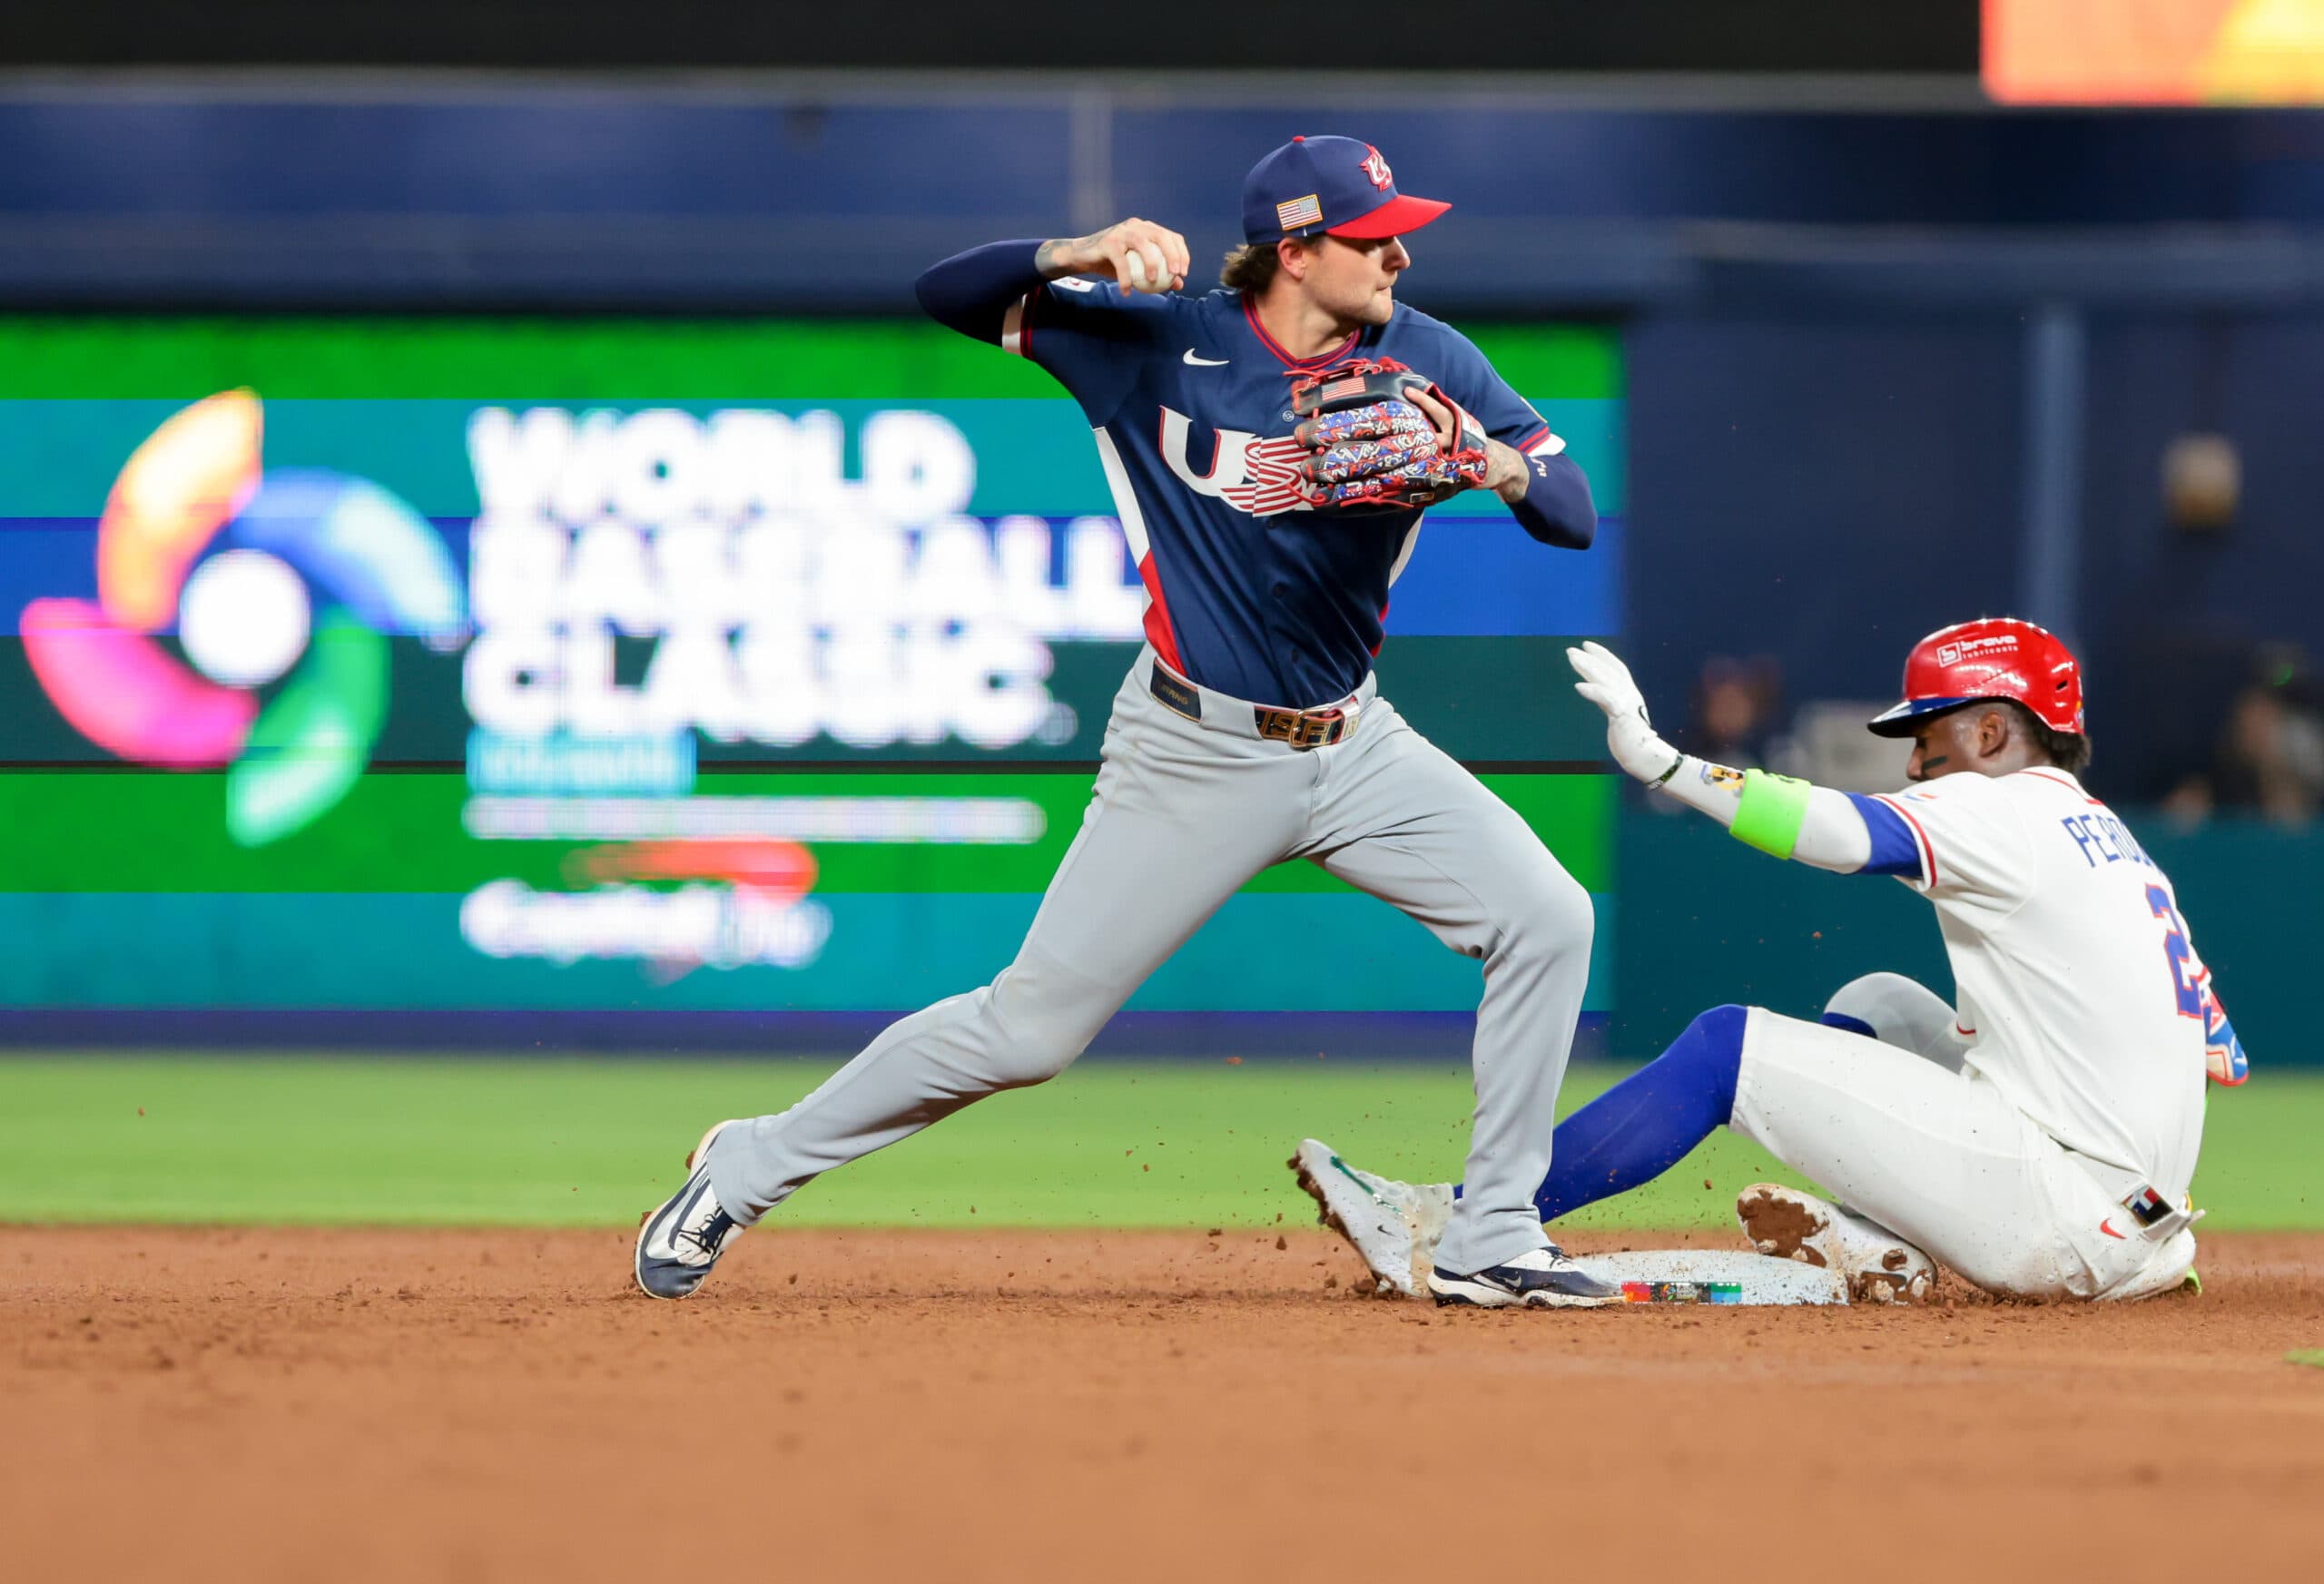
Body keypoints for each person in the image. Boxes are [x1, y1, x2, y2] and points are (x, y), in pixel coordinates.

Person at [636, 134, 1614, 1308]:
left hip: (1357, 745)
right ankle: (747, 1165)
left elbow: (1572, 510)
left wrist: (1491, 461)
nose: (1400, 253)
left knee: (1550, 918)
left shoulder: (1430, 357)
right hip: (1192, 749)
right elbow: (946, 293)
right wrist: (1075, 252)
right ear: (1295, 252)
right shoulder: (1158, 343)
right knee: (1026, 1033)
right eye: (1371, 235)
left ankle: (1492, 1233)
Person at [1295, 618, 2250, 1304]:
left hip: (2062, 1218)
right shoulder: (2106, 834)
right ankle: (1880, 1243)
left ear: (1993, 730)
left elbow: (1834, 833)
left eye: (1929, 736)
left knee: (1724, 1050)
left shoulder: (2000, 806)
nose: (1915, 763)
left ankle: (1457, 1219)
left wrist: (1667, 763)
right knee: (1879, 1000)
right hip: (2144, 1225)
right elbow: (2217, 1043)